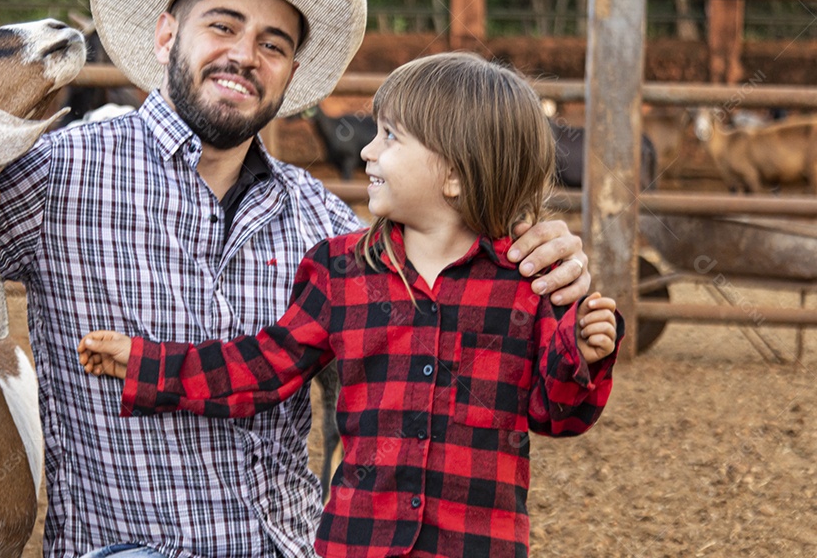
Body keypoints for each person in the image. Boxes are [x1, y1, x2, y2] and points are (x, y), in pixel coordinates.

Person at [0, 0, 592, 558]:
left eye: (274, 44)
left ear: (289, 73)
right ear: (165, 35)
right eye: (223, 25)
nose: (245, 56)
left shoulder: (324, 224)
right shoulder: (58, 176)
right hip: (131, 550)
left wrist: (529, 251)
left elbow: (432, 328)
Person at [78, 52, 623, 558]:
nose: (367, 150)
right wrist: (149, 364)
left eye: (391, 137)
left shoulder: (530, 283)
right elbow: (260, 369)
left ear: (455, 174)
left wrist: (584, 354)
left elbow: (557, 415)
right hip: (357, 544)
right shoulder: (341, 272)